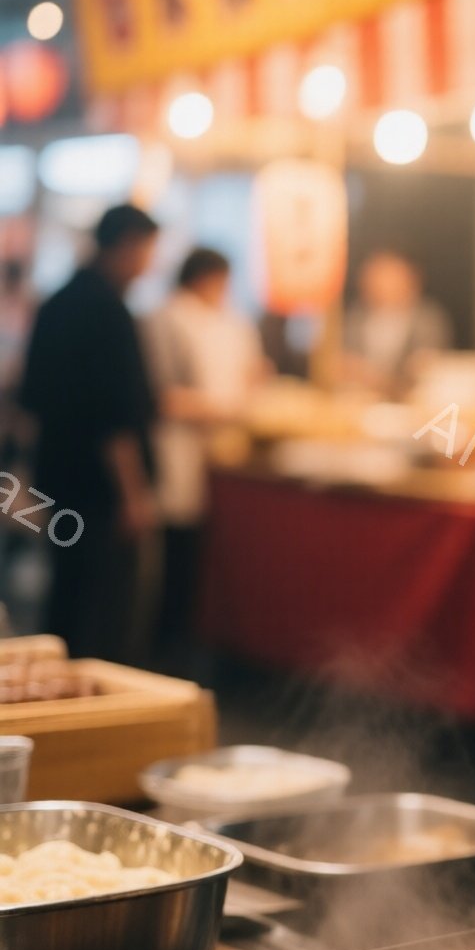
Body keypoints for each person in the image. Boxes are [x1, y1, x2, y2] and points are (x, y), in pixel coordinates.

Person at [18, 203, 159, 661]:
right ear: (126, 245)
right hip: (101, 491)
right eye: (147, 250)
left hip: (56, 475)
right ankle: (95, 707)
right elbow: (113, 415)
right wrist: (133, 494)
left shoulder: (56, 302)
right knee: (103, 609)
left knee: (66, 592)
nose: (148, 263)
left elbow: (30, 397)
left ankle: (57, 686)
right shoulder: (109, 311)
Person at [142, 246, 266, 672]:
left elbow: (251, 373)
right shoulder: (167, 318)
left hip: (221, 453)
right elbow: (163, 397)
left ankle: (188, 642)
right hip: (177, 450)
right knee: (177, 553)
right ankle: (164, 646)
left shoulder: (231, 321)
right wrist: (228, 407)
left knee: (199, 556)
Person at [339, 252, 452, 399]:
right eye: (376, 278)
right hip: (361, 402)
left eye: (391, 278)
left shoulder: (427, 321)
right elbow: (343, 363)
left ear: (411, 281)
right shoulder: (355, 318)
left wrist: (379, 379)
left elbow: (426, 370)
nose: (382, 285)